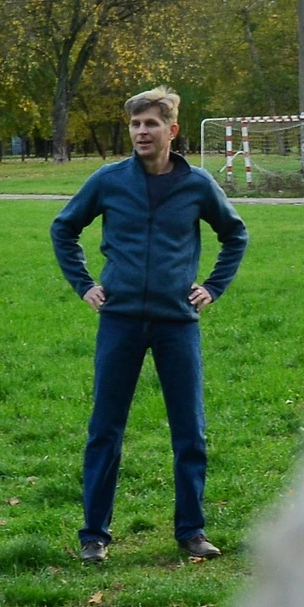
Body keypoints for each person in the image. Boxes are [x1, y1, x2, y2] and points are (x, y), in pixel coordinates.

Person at [51, 86, 247, 565]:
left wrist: (213, 287)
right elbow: (64, 227)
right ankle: (94, 536)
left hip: (177, 323)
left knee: (190, 431)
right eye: (136, 124)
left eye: (151, 124)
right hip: (119, 321)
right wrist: (84, 285)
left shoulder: (198, 184)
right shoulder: (109, 180)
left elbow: (235, 234)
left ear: (171, 131)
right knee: (105, 430)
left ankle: (191, 532)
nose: (141, 132)